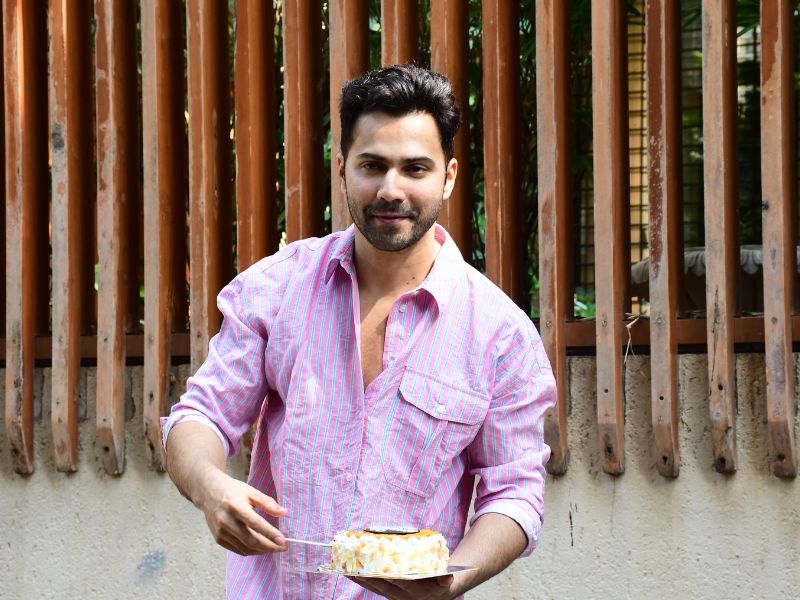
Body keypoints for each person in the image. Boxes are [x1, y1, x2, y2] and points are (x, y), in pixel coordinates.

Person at [162, 64, 556, 600]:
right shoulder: (276, 289)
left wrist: (455, 578)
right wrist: (211, 488)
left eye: (415, 168)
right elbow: (201, 415)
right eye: (372, 165)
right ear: (343, 167)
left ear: (448, 176)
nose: (391, 190)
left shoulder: (500, 334)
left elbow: (514, 492)